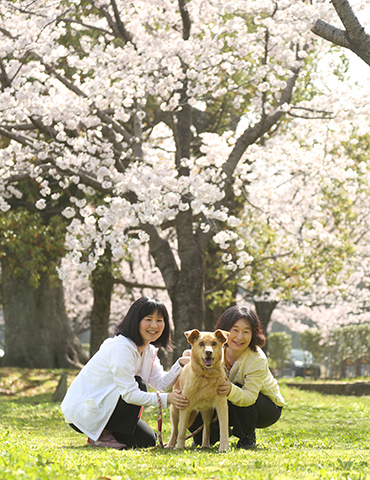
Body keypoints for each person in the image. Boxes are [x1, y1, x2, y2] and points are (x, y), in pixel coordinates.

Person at [61, 296, 189, 449]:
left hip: (110, 407)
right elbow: (129, 394)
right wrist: (167, 399)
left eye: (160, 320)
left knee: (147, 440)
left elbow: (161, 384)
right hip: (85, 411)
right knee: (139, 383)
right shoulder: (121, 347)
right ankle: (100, 436)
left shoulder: (148, 350)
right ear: (135, 321)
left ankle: (108, 433)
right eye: (148, 319)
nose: (154, 325)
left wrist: (180, 364)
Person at [190, 305, 285, 450]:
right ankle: (207, 436)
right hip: (230, 401)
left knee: (239, 389)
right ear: (224, 331)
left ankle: (246, 438)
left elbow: (250, 397)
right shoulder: (214, 348)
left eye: (246, 331)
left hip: (266, 407)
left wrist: (230, 390)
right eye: (235, 330)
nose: (240, 337)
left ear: (253, 334)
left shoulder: (257, 358)